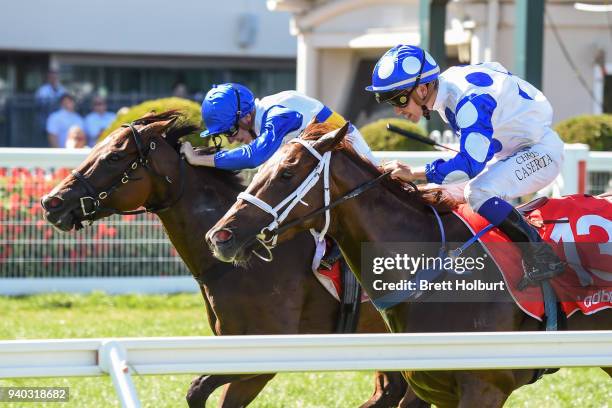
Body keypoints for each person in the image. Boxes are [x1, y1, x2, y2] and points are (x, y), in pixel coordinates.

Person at [367, 44, 565, 286]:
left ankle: (542, 256)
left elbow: (468, 167)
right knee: (437, 192)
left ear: (421, 88)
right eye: (388, 100)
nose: (397, 110)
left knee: (478, 192)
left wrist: (415, 173)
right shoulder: (445, 89)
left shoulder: (467, 101)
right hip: (509, 151)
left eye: (398, 98)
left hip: (539, 153)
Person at [180, 83, 376, 170]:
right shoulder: (263, 119)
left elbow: (254, 156)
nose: (231, 140)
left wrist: (199, 159)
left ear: (247, 117)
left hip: (355, 162)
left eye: (229, 131)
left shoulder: (276, 114)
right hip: (332, 165)